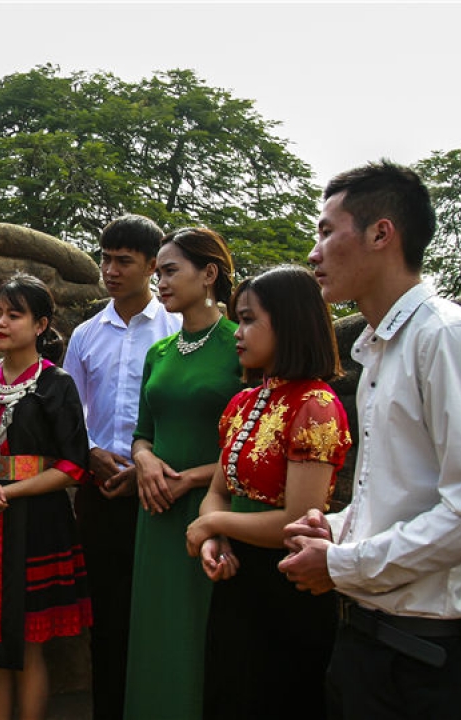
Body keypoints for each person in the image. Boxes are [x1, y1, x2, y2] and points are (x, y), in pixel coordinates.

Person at [279, 161, 461, 720]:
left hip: (428, 658)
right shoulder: (378, 349)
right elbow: (402, 494)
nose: (314, 252)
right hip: (367, 642)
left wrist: (343, 565)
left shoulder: (446, 337)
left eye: (326, 230)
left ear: (381, 233)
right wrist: (339, 528)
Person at [184, 264, 351, 719]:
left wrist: (212, 524)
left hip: (289, 587)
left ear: (291, 321)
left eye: (250, 319)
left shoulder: (316, 405)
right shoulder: (243, 402)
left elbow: (296, 522)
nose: (238, 332)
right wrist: (216, 538)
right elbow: (218, 490)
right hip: (236, 580)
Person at [0, 272, 92, 720]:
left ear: (41, 324)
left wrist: (6, 494)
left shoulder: (56, 384)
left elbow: (73, 465)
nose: (0, 323)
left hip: (36, 522)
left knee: (27, 645)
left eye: (14, 314)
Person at [124, 226, 245, 720]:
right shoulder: (161, 351)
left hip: (214, 511)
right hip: (155, 511)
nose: (161, 283)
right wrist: (146, 462)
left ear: (209, 274)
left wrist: (190, 480)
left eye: (170, 271)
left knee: (202, 634)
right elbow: (141, 432)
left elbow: (254, 446)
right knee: (156, 630)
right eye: (158, 273)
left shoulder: (241, 346)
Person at [63, 214, 180, 720]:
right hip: (100, 490)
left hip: (165, 491)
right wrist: (90, 452)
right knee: (106, 617)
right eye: (104, 258)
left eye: (123, 261)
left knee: (161, 614)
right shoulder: (86, 335)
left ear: (153, 266)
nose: (109, 270)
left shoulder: (179, 327)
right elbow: (69, 414)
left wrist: (149, 467)